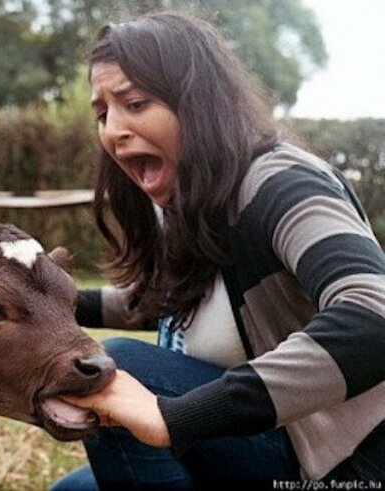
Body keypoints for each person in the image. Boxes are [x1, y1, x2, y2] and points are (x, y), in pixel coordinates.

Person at [51, 11, 384, 489]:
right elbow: (170, 304)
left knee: (120, 366)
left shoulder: (282, 183)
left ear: (198, 102)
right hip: (266, 440)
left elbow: (374, 315)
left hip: (344, 466)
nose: (113, 131)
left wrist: (179, 416)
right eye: (103, 114)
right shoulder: (195, 200)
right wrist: (51, 295)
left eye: (136, 103)